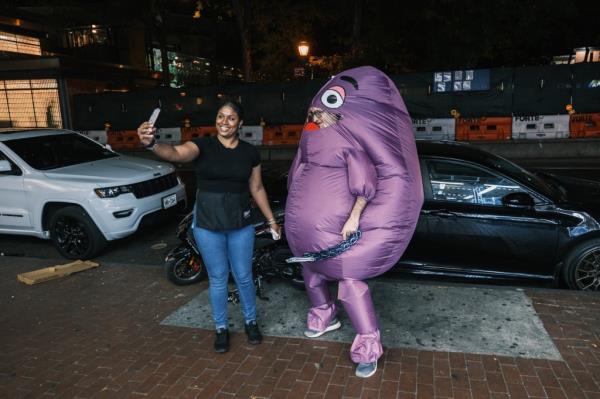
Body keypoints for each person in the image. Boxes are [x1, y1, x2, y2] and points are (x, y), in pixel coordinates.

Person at [285, 66, 423, 378]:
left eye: (321, 114)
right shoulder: (308, 146)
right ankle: (324, 314)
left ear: (337, 116)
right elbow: (297, 178)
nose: (315, 119)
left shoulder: (349, 147)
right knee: (311, 272)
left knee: (349, 283)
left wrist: (354, 218)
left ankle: (367, 347)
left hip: (340, 234)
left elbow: (365, 186)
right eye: (313, 114)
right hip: (309, 234)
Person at [137, 101, 281, 353]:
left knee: (244, 276)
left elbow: (256, 188)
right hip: (207, 224)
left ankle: (250, 321)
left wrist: (270, 220)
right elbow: (176, 154)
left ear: (240, 124)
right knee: (217, 278)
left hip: (240, 224)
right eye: (220, 116)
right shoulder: (202, 145)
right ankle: (221, 328)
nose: (224, 122)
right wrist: (151, 143)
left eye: (231, 118)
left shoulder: (249, 152)